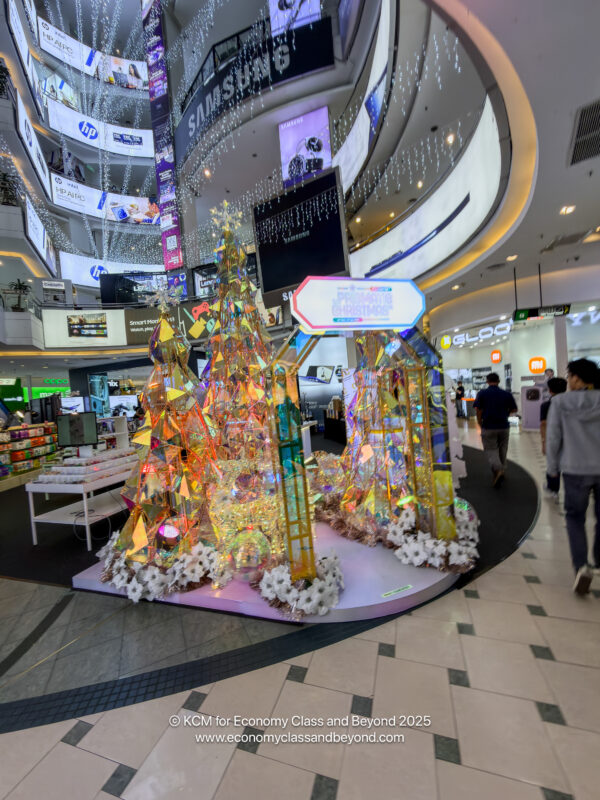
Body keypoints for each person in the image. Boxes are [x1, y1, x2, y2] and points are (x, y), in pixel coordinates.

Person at [546, 358, 600, 595]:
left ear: (576, 378)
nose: (568, 380)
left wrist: (552, 468)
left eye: (569, 376)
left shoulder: (560, 402)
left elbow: (554, 438)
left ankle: (581, 567)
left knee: (575, 518)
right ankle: (599, 560)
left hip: (575, 468)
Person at [473, 372, 518, 486]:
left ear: (487, 381)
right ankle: (501, 470)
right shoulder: (506, 394)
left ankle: (498, 470)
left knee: (491, 449)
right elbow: (514, 409)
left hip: (488, 426)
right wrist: (505, 413)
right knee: (502, 449)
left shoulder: (482, 393)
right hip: (504, 426)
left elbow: (478, 410)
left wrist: (479, 422)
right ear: (498, 381)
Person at [540, 376, 567, 499]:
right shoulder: (572, 403)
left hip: (553, 437)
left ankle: (553, 489)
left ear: (550, 390)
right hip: (571, 439)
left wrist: (543, 441)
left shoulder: (546, 405)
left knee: (553, 464)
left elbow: (543, 424)